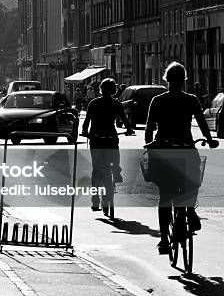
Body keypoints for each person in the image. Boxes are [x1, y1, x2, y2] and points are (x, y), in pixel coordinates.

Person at [145, 62, 218, 255]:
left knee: (165, 197)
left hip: (164, 150)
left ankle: (163, 241)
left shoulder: (158, 101)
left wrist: (149, 144)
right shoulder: (191, 99)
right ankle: (191, 210)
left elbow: (149, 127)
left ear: (167, 80)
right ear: (184, 80)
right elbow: (202, 123)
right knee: (193, 180)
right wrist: (210, 140)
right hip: (186, 149)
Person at [81, 78, 134, 210]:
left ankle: (95, 200)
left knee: (96, 170)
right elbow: (124, 119)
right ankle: (116, 171)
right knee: (115, 156)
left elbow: (87, 121)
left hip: (96, 139)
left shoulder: (93, 103)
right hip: (110, 138)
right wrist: (129, 129)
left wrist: (84, 132)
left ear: (101, 89)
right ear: (113, 90)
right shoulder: (116, 104)